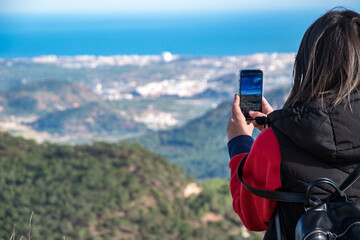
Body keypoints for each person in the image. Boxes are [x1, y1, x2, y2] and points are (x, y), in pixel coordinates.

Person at [227, 8, 360, 240]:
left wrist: (240, 142)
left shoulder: (274, 143)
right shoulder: (277, 138)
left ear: (309, 66)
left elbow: (251, 215)